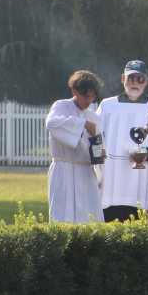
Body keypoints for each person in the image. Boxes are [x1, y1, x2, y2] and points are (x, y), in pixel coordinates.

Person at [96, 60, 148, 222]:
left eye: (140, 79)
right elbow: (95, 137)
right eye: (131, 78)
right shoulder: (108, 105)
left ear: (146, 81)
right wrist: (96, 176)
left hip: (143, 179)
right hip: (112, 179)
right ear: (123, 78)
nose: (135, 83)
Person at [46, 71, 106, 223]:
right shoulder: (61, 106)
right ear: (74, 91)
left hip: (86, 172)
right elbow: (52, 123)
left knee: (89, 218)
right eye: (85, 96)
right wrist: (82, 124)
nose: (89, 100)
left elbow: (96, 146)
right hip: (64, 169)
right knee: (63, 216)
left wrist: (100, 155)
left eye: (92, 97)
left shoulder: (93, 116)